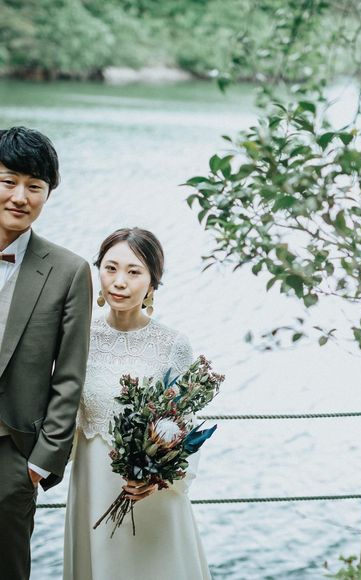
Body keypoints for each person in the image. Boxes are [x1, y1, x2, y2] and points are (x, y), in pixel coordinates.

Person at [64, 227, 211, 580]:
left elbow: (186, 428)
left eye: (134, 272)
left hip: (153, 495)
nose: (119, 282)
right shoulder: (77, 338)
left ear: (152, 283)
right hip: (93, 488)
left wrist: (159, 479)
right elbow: (60, 415)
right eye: (110, 268)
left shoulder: (173, 344)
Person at [0, 126, 92, 579]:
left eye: (34, 186)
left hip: (11, 454)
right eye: (8, 181)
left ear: (48, 193)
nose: (20, 196)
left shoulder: (69, 272)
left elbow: (70, 375)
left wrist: (38, 464)